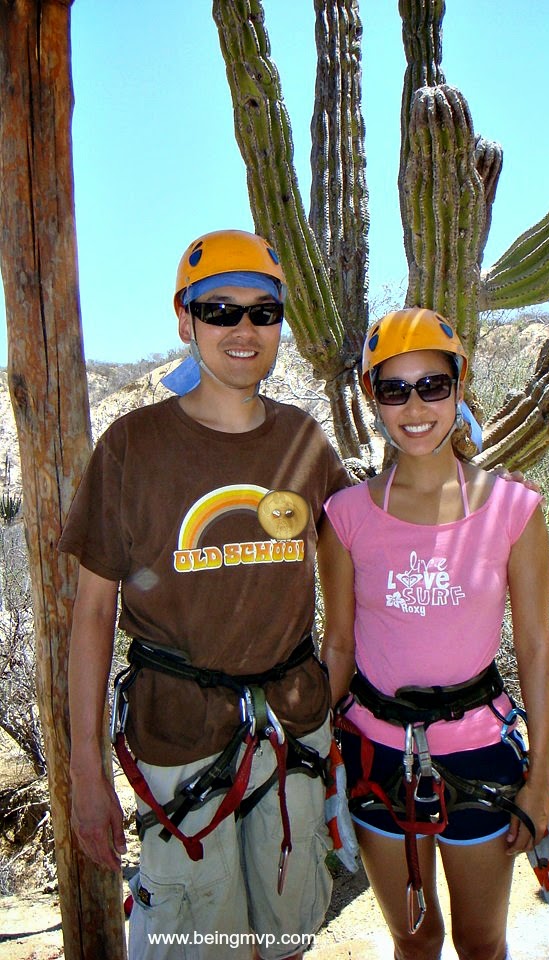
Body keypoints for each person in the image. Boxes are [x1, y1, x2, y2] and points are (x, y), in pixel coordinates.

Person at [59, 229, 351, 960]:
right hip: (178, 742)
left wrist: (335, 677)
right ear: (185, 318)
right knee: (202, 944)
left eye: (262, 311)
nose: (243, 329)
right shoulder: (132, 447)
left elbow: (350, 549)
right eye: (219, 311)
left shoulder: (304, 442)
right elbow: (92, 614)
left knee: (287, 936)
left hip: (292, 734)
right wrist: (86, 771)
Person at [319, 308, 549, 960]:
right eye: (395, 390)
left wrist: (541, 776)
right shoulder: (344, 517)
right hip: (375, 755)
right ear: (372, 397)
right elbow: (338, 646)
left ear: (459, 386)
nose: (416, 407)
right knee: (415, 938)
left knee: (481, 942)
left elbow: (536, 648)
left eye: (433, 385)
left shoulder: (514, 510)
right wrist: (307, 755)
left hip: (480, 753)